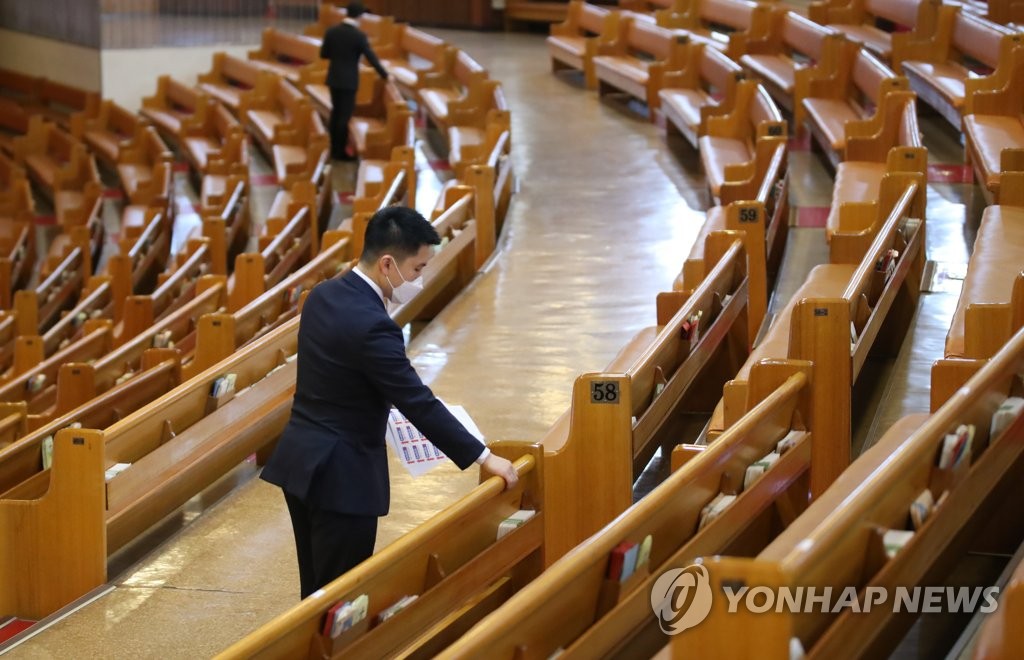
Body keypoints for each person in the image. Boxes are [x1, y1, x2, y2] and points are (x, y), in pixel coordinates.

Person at [261, 206, 519, 599]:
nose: (419, 278)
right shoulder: (373, 324)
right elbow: (417, 401)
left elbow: (339, 375)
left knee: (314, 594)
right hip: (341, 479)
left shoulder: (323, 295)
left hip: (301, 462)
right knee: (337, 603)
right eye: (417, 268)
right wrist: (484, 456)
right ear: (387, 264)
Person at [319, 1, 389, 161]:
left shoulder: (332, 31)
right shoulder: (358, 36)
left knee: (335, 113)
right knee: (344, 116)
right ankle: (339, 152)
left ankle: (333, 146)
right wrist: (385, 75)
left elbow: (324, 54)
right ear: (360, 16)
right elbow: (371, 57)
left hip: (333, 78)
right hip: (349, 80)